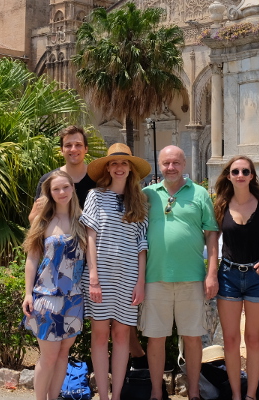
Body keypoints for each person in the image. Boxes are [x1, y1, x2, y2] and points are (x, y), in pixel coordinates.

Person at [141, 145, 219, 400]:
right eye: (166, 163)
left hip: (192, 278)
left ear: (184, 164)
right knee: (155, 339)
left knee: (193, 338)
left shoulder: (200, 193)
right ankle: (156, 393)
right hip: (155, 278)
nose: (171, 167)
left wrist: (212, 273)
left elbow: (211, 234)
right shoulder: (148, 194)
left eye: (176, 162)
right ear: (159, 165)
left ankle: (194, 392)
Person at [80, 143, 151, 400]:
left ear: (130, 168)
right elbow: (90, 236)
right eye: (114, 163)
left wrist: (140, 282)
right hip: (100, 276)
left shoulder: (140, 201)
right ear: (108, 168)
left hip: (128, 278)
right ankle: (103, 395)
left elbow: (142, 244)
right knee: (100, 336)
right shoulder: (95, 196)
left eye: (124, 163)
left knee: (122, 336)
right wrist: (93, 277)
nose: (119, 167)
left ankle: (117, 395)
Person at [213, 156, 259, 400]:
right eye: (235, 171)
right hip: (228, 276)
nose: (240, 175)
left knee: (254, 340)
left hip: (256, 276)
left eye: (245, 171)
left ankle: (251, 395)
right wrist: (210, 271)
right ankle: (235, 394)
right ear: (228, 176)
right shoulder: (221, 204)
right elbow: (212, 239)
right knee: (231, 340)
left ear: (252, 175)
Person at [22, 170, 87, 400]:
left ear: (73, 188)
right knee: (48, 357)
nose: (62, 192)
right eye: (56, 189)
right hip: (46, 297)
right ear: (49, 193)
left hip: (74, 298)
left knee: (62, 356)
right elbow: (32, 258)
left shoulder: (84, 221)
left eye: (65, 187)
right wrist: (27, 293)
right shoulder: (43, 221)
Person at [29, 126, 96, 224]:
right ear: (62, 150)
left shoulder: (98, 178)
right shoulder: (48, 180)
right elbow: (33, 219)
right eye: (68, 145)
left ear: (86, 149)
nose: (73, 149)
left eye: (78, 145)